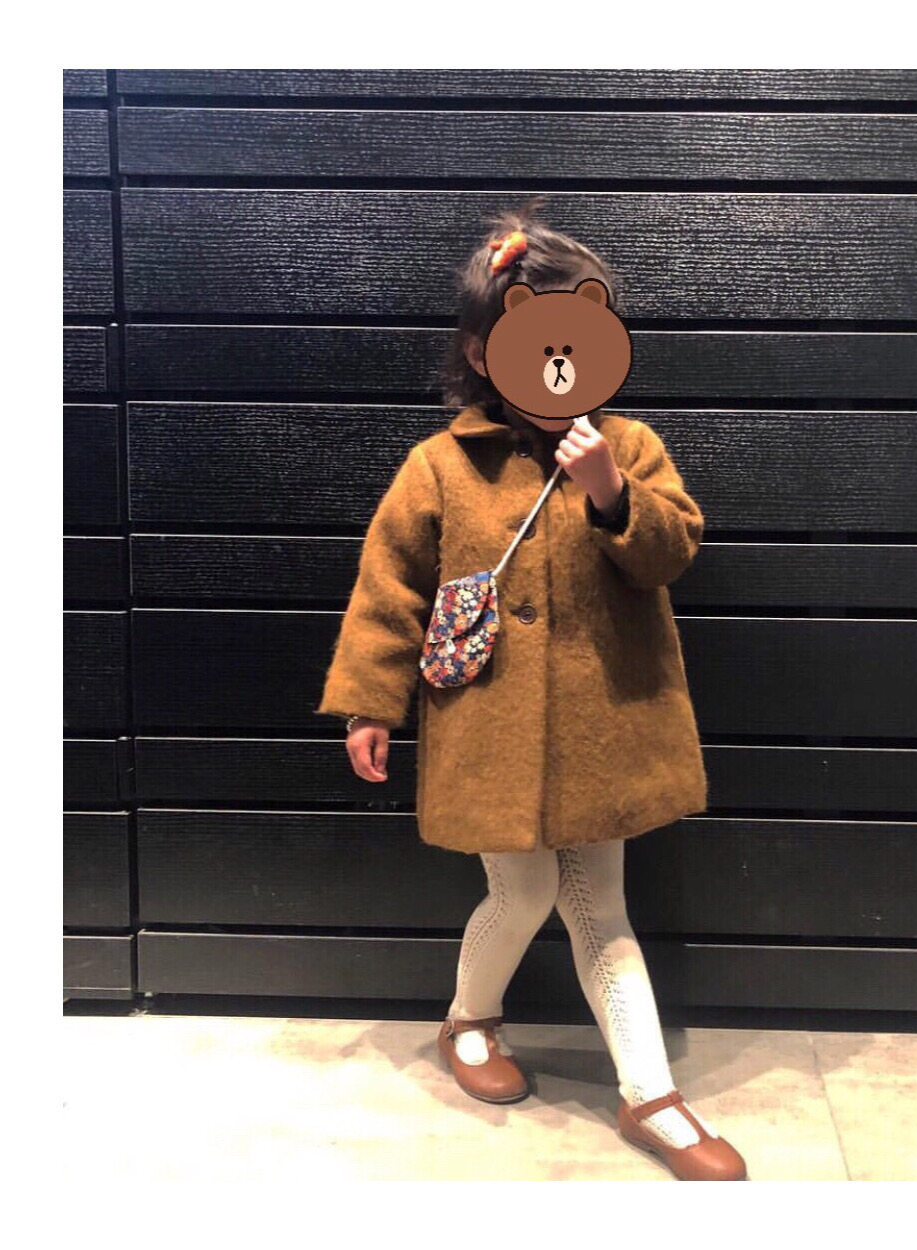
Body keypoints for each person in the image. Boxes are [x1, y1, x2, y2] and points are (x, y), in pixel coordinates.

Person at [316, 196, 747, 1181]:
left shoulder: (627, 445)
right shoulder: (440, 466)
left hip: (603, 727)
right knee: (520, 890)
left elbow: (672, 551)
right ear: (483, 351)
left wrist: (610, 492)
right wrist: (370, 701)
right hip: (488, 729)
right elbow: (389, 589)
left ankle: (650, 1095)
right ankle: (469, 1018)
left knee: (602, 904)